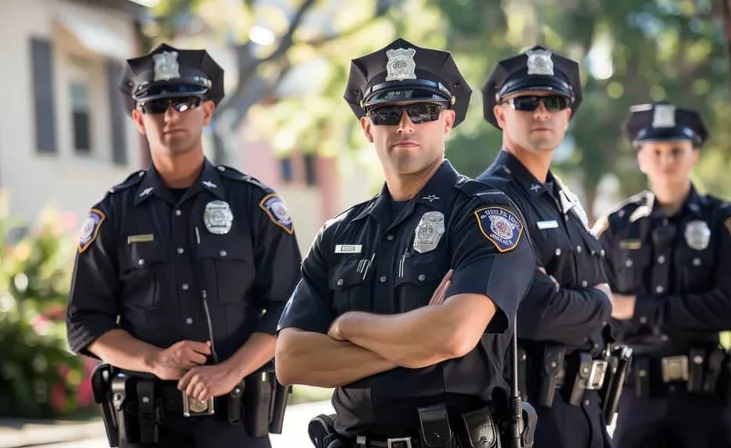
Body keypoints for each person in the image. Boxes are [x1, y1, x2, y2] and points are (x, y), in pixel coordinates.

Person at [274, 38, 537, 448]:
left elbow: (453, 335)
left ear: (447, 122)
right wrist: (416, 346)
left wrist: (349, 326)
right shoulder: (339, 232)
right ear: (366, 128)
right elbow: (290, 361)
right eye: (385, 113)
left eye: (423, 110)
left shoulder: (483, 214)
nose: (404, 124)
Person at [65, 43, 302, 448]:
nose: (171, 115)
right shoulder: (114, 214)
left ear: (206, 111)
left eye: (184, 102)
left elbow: (293, 306)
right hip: (147, 427)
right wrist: (154, 361)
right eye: (157, 106)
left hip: (237, 426)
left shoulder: (251, 204)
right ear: (139, 119)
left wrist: (230, 369)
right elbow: (85, 321)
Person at [477, 46, 617, 448]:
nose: (542, 112)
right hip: (534, 418)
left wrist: (574, 298)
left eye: (554, 102)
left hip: (589, 410)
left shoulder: (565, 202)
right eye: (525, 102)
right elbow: (535, 312)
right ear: (501, 114)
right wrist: (601, 303)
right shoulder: (492, 199)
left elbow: (568, 297)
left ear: (567, 115)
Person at [594, 102, 731, 448]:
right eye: (657, 151)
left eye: (677, 150)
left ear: (694, 154)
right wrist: (688, 311)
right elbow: (600, 309)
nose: (666, 161)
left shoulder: (722, 221)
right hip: (636, 399)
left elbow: (727, 309)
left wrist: (636, 306)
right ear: (641, 157)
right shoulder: (616, 227)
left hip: (705, 397)